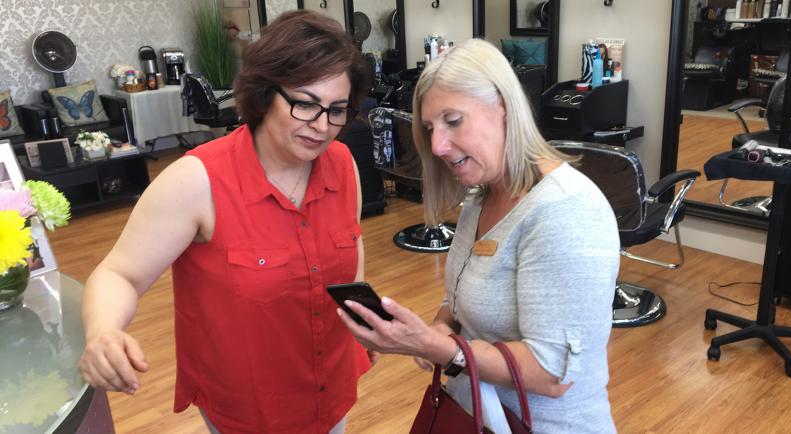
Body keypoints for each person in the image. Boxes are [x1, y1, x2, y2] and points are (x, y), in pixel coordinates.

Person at [78, 10, 373, 433]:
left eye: (337, 109)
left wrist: (360, 317)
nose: (322, 126)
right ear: (265, 93)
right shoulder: (197, 180)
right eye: (305, 104)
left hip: (331, 387)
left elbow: (352, 242)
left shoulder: (341, 163)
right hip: (250, 409)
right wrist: (103, 331)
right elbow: (118, 274)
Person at [338, 39, 620, 433]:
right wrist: (437, 328)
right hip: (478, 414)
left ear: (503, 107)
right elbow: (459, 300)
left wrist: (435, 347)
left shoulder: (566, 210)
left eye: (453, 121)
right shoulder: (481, 196)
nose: (436, 145)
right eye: (430, 128)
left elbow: (552, 375)